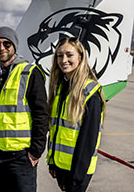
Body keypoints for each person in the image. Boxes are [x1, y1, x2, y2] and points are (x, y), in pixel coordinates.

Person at [0, 26, 49, 192]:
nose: (1, 48)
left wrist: (36, 151)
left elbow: (41, 114)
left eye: (7, 43)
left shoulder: (30, 73)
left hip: (20, 156)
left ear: (14, 46)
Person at [46, 37, 106, 192]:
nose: (63, 60)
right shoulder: (61, 88)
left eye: (69, 55)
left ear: (80, 57)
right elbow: (56, 130)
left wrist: (77, 176)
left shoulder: (90, 93)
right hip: (62, 166)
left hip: (77, 171)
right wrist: (52, 162)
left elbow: (88, 139)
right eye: (60, 55)